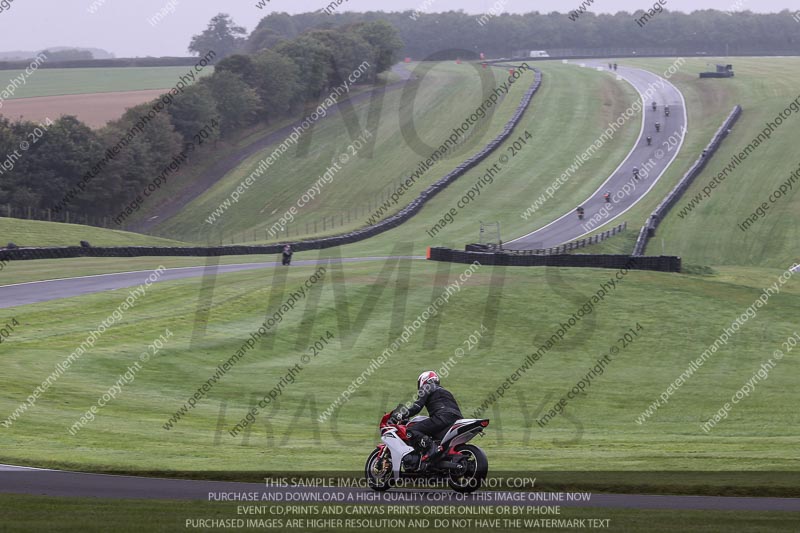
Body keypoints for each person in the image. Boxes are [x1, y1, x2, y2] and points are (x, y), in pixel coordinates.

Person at [390, 371, 463, 466]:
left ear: (424, 380)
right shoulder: (445, 391)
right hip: (456, 419)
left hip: (442, 417)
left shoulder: (427, 387)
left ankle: (431, 449)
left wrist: (401, 414)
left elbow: (417, 407)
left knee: (411, 430)